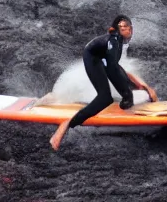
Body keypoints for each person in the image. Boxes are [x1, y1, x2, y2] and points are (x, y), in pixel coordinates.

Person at [50, 15, 157, 150]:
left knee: (132, 95)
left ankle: (120, 98)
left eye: (128, 28)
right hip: (93, 66)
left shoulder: (121, 44)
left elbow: (121, 68)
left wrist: (143, 86)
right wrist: (140, 88)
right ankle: (67, 124)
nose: (127, 31)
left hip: (103, 64)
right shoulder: (113, 43)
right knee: (106, 98)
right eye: (123, 28)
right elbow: (115, 69)